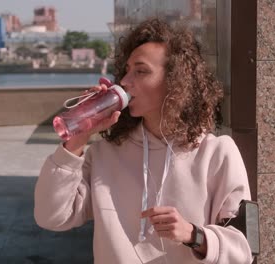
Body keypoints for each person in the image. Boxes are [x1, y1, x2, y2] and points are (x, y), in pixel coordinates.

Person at [34, 18, 252, 264]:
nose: (125, 81)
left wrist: (194, 235)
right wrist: (78, 139)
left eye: (141, 71)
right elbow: (50, 216)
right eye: (126, 70)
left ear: (175, 81)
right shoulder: (104, 154)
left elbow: (246, 248)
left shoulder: (218, 153)